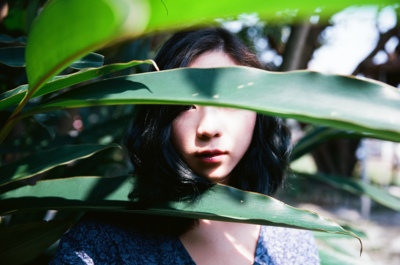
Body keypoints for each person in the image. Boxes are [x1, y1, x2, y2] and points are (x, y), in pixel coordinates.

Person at [50, 28, 320, 264]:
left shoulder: (292, 240)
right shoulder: (102, 243)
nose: (208, 127)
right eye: (184, 106)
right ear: (157, 118)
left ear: (258, 113)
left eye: (230, 102)